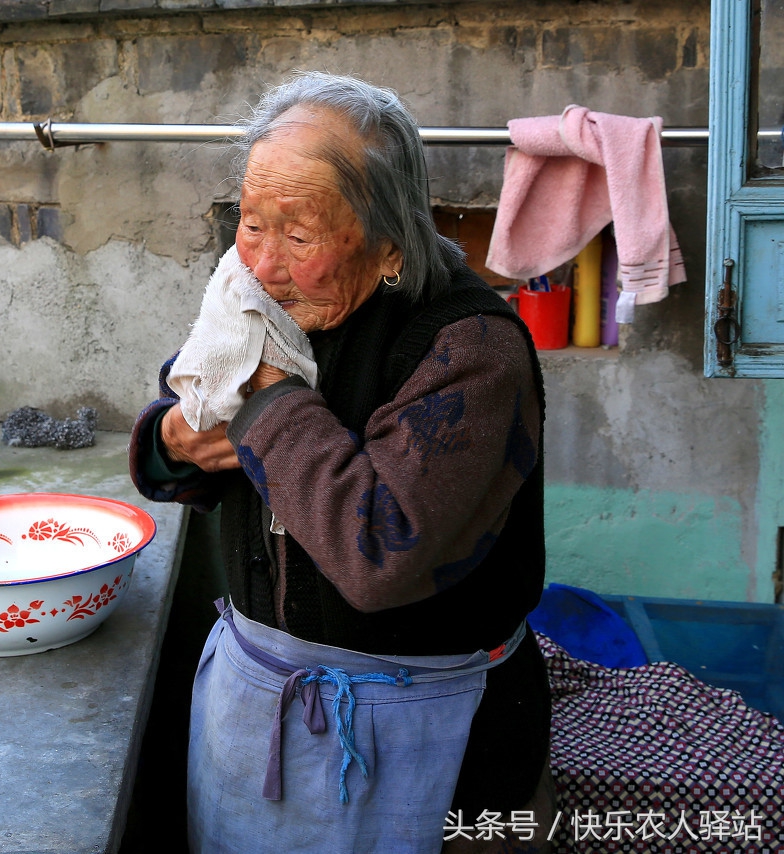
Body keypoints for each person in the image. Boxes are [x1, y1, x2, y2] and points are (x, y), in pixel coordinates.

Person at [129, 72, 554, 854]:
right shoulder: (275, 303)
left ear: (391, 242)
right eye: (249, 223)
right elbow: (185, 428)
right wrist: (167, 444)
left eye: (298, 235)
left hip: (435, 729)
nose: (258, 263)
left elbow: (379, 553)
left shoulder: (471, 350)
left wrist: (265, 397)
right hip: (262, 704)